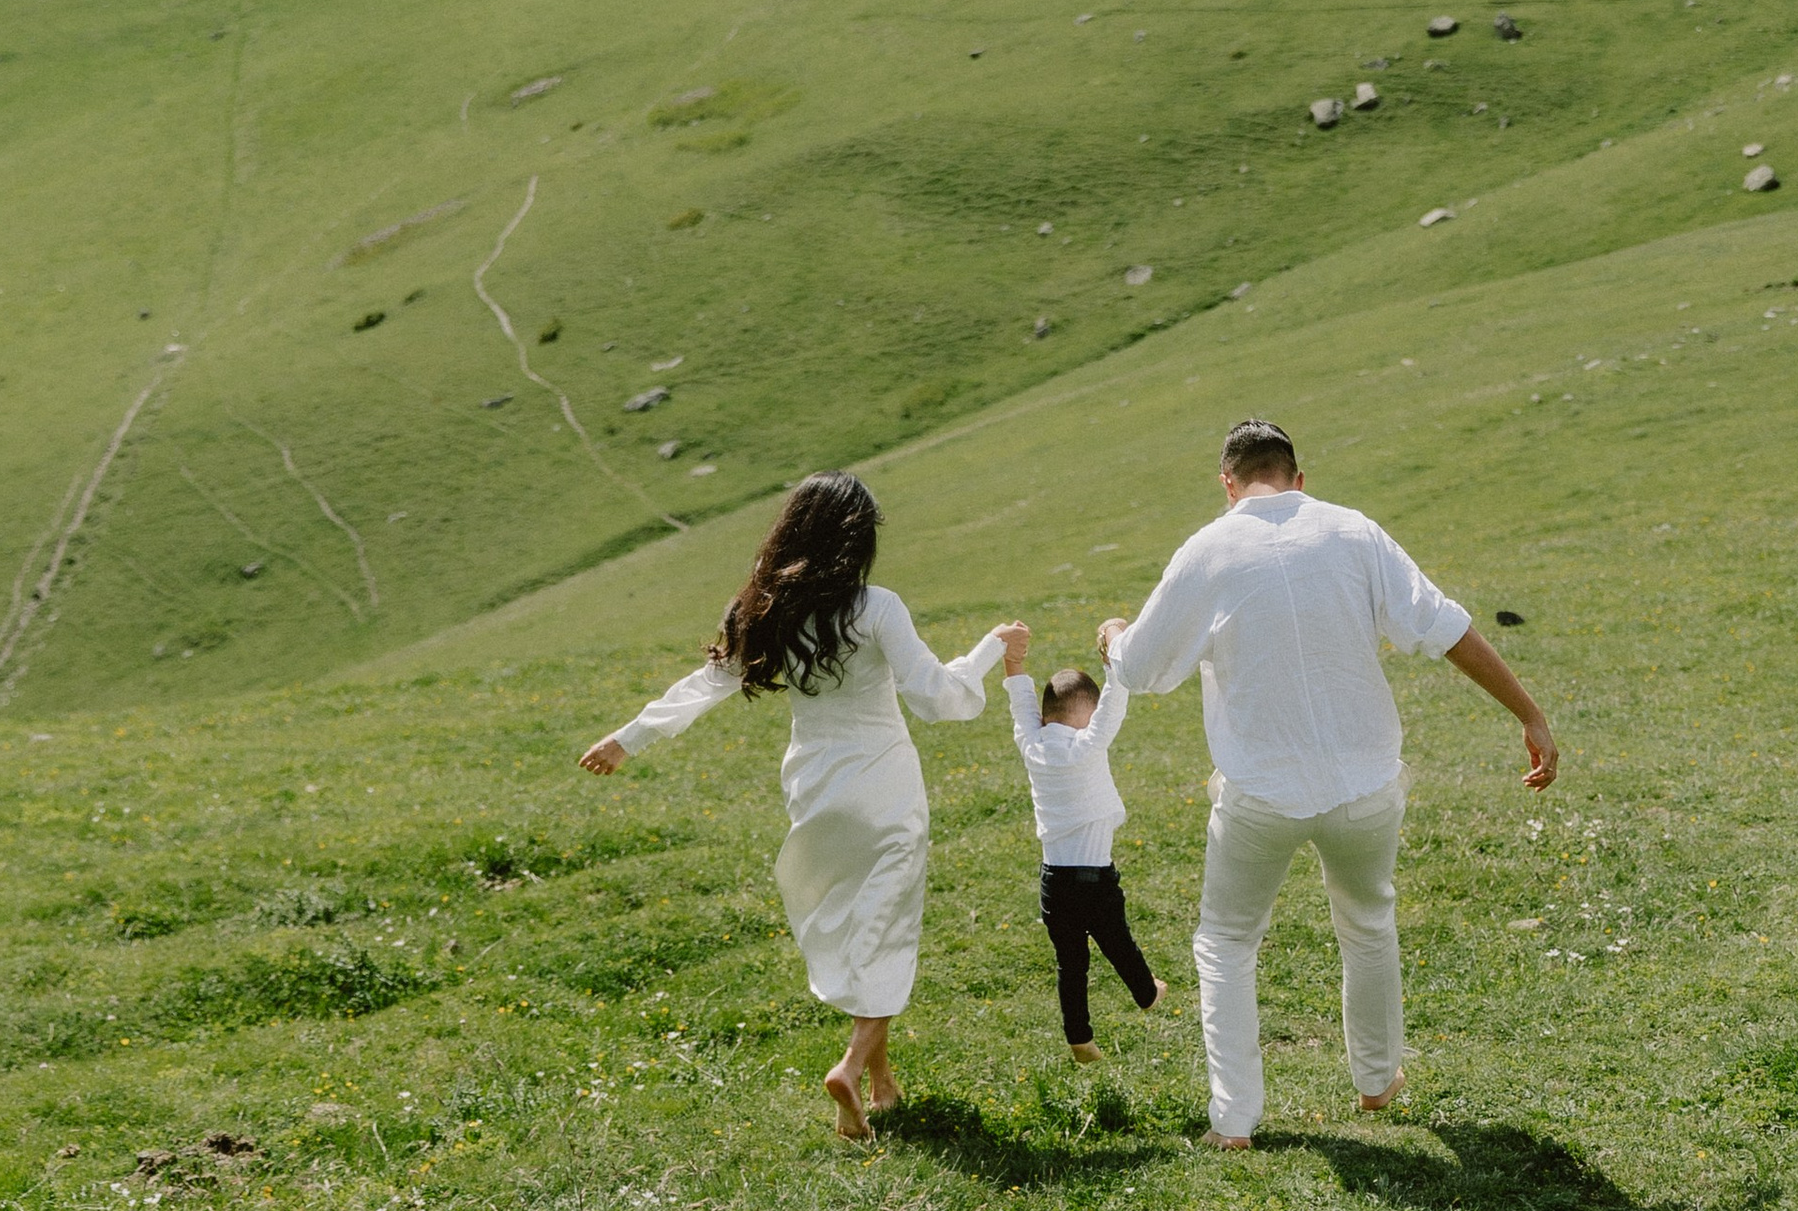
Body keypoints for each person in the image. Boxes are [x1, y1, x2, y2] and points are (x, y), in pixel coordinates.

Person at [1099, 413, 1554, 1152]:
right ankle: (1377, 1081)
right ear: (1298, 479)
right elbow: (1448, 630)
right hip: (1364, 782)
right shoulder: (1352, 531)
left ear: (1228, 486)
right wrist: (1529, 714)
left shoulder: (1208, 549)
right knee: (1368, 923)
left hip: (1259, 792)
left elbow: (1144, 670)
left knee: (1225, 943)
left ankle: (1236, 1121)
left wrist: (1114, 635)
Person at [579, 472, 1014, 1141]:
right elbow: (938, 699)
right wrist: (991, 651)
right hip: (884, 785)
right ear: (857, 539)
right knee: (888, 925)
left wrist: (626, 738)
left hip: (814, 784)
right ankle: (848, 1065)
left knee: (860, 926)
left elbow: (705, 684)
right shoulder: (876, 608)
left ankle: (882, 1081)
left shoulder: (765, 608)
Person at [1000, 624, 1167, 1063]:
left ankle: (1080, 1038)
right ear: (1086, 716)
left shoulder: (1031, 744)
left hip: (1053, 882)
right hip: (1094, 879)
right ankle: (1148, 993)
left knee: (1071, 964)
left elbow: (1020, 701)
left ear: (1046, 715)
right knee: (1119, 943)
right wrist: (1113, 655)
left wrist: (1013, 660)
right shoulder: (1089, 745)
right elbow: (1115, 701)